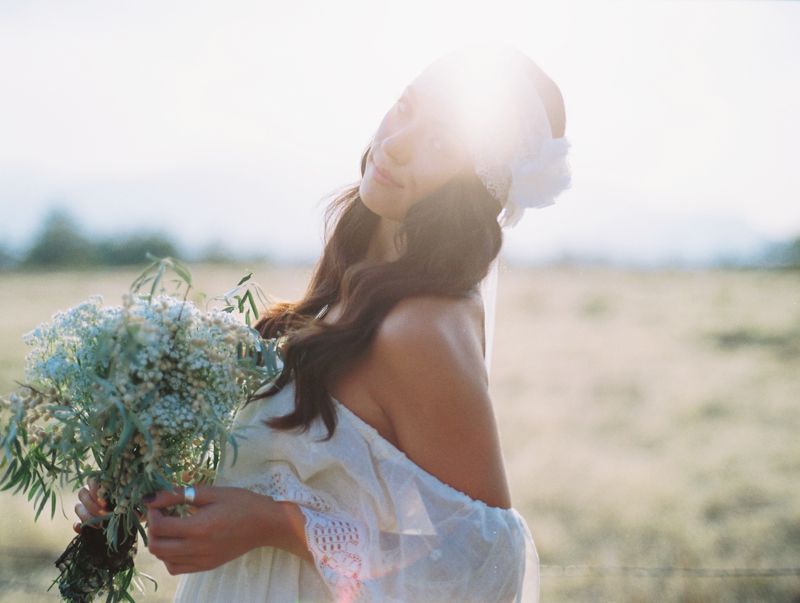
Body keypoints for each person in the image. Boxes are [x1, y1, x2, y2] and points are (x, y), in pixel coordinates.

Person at [73, 42, 572, 602]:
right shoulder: (355, 276)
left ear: (472, 189)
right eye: (405, 108)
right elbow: (298, 471)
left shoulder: (422, 327)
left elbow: (490, 560)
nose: (396, 144)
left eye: (440, 142)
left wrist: (275, 526)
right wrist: (139, 480)